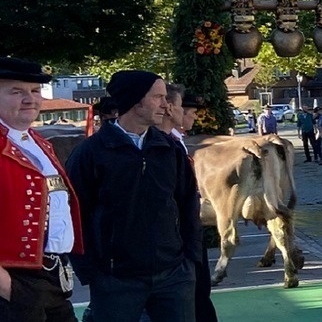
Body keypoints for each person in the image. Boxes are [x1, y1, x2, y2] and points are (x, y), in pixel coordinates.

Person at [65, 70, 201, 322]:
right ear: (136, 101)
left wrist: (190, 260)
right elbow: (75, 212)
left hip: (173, 276)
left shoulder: (169, 149)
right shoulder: (92, 152)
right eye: (158, 97)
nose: (166, 105)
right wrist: (92, 271)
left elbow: (188, 204)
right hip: (115, 280)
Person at [0, 57, 84, 322]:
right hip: (13, 281)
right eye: (17, 92)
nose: (30, 99)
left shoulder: (38, 142)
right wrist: (11, 289)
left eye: (35, 91)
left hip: (52, 274)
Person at [159, 85, 218, 322]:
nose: (191, 115)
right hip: (176, 234)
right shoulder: (164, 143)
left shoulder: (176, 140)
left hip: (189, 228)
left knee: (200, 290)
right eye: (187, 109)